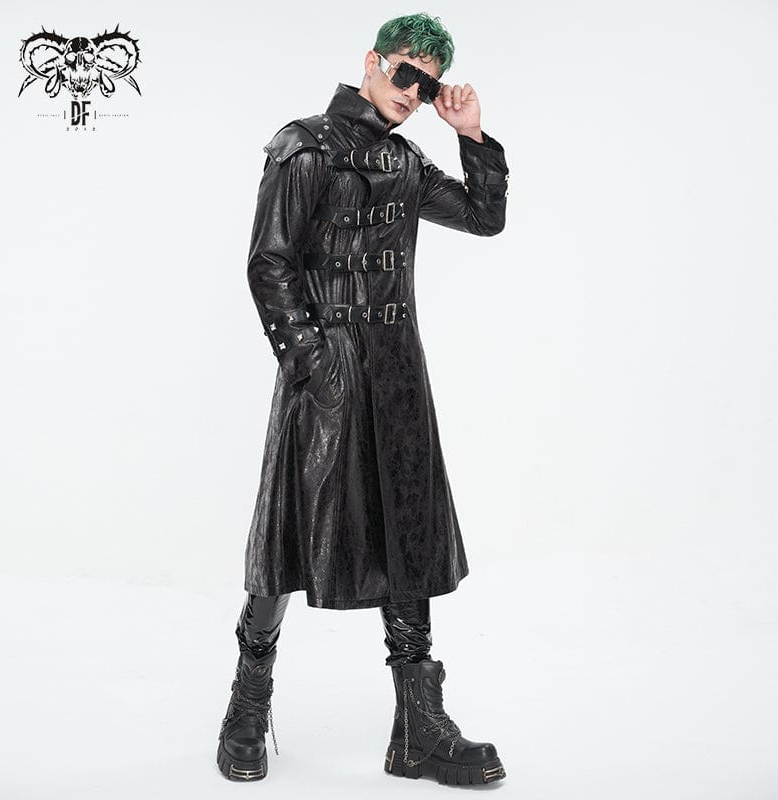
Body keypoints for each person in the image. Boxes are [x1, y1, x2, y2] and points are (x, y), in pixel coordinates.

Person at [217, 12, 509, 785]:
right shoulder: (305, 145)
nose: (414, 92)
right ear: (373, 63)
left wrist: (471, 136)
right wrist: (314, 367)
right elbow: (268, 264)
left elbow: (485, 218)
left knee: (408, 532)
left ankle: (419, 728)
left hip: (398, 372)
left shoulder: (407, 161)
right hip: (328, 373)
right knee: (288, 536)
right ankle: (248, 700)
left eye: (429, 85)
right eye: (407, 73)